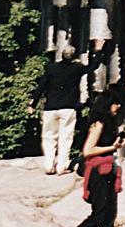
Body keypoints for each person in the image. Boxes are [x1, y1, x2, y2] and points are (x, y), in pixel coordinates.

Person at [28, 40, 109, 174]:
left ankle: (48, 165)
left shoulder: (51, 68)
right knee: (65, 137)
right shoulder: (76, 68)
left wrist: (32, 104)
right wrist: (99, 50)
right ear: (74, 56)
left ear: (62, 55)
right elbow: (93, 66)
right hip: (68, 107)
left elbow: (41, 86)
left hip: (50, 107)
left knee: (48, 137)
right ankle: (61, 166)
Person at [56, 92, 125, 227]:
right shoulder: (98, 124)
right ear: (107, 105)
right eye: (115, 103)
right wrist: (112, 147)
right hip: (98, 173)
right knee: (99, 215)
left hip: (109, 171)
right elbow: (88, 150)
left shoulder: (110, 122)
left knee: (109, 216)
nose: (118, 106)